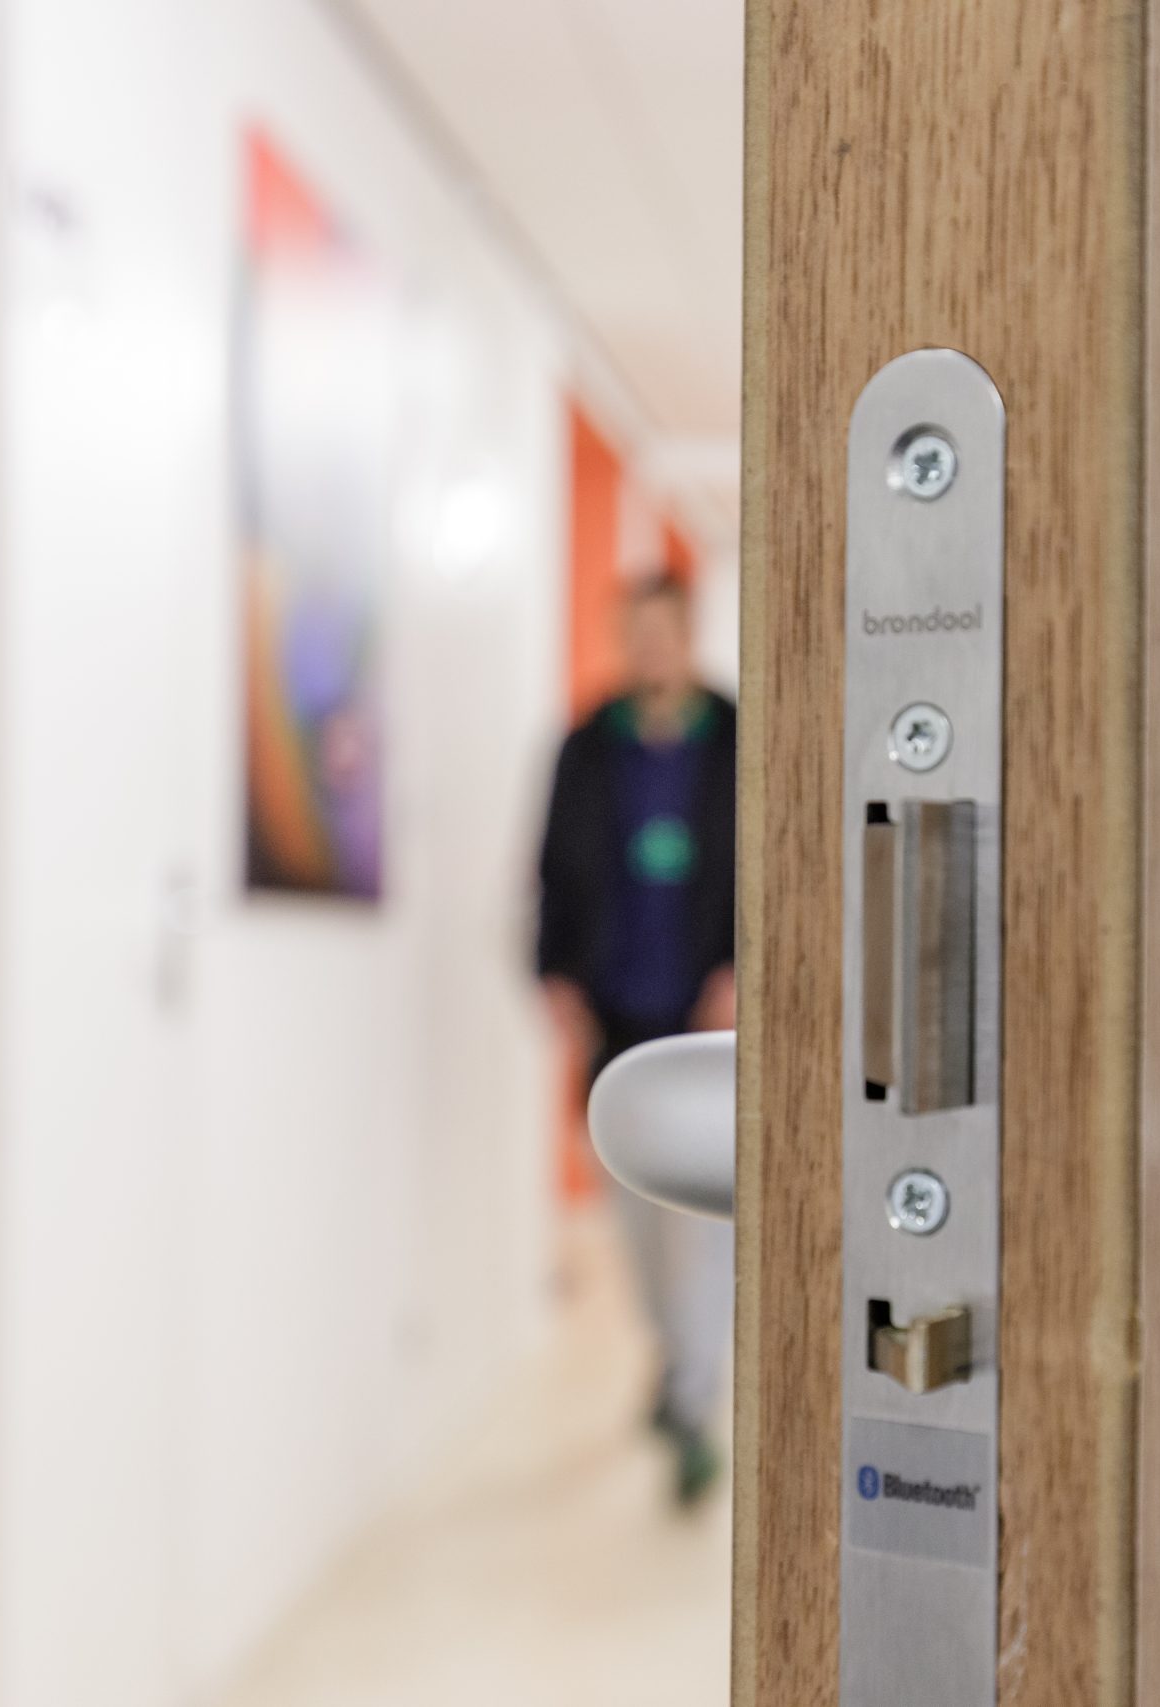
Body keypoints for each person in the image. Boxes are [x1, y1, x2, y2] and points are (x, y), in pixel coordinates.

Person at [534, 575, 736, 1507]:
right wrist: (556, 973)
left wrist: (742, 970)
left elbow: (771, 860)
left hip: (708, 1014)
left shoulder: (735, 736)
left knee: (704, 1228)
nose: (652, 648)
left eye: (666, 631)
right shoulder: (588, 743)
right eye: (637, 632)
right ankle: (673, 1357)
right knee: (637, 1223)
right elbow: (550, 866)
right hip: (616, 1014)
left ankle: (692, 1405)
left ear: (688, 635)